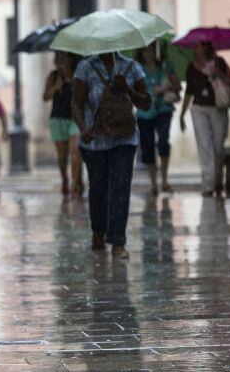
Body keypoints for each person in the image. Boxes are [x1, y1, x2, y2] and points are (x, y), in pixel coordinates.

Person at [72, 52, 151, 259]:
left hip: (125, 139)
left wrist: (128, 89)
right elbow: (76, 103)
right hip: (95, 140)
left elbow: (146, 103)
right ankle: (98, 231)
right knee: (98, 188)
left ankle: (118, 242)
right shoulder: (86, 67)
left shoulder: (131, 66)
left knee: (120, 187)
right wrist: (82, 128)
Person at [179, 41, 230, 197]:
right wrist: (182, 114)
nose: (195, 47)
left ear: (207, 47)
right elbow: (189, 91)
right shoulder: (192, 67)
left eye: (199, 45)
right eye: (195, 45)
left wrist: (217, 73)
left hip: (218, 107)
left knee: (218, 146)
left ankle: (218, 181)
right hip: (198, 108)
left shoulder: (220, 62)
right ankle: (208, 184)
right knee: (204, 145)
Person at [135, 42, 182, 195]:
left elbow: (178, 87)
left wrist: (165, 87)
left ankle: (165, 180)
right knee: (147, 147)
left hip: (163, 109)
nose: (147, 53)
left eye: (150, 49)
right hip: (144, 112)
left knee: (163, 142)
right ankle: (153, 183)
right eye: (144, 50)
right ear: (140, 51)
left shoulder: (166, 66)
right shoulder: (136, 69)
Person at [43, 51, 83, 198]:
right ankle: (65, 178)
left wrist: (74, 83)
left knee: (75, 151)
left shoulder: (79, 75)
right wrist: (55, 88)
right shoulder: (53, 77)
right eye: (61, 59)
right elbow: (45, 97)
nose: (63, 62)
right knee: (62, 156)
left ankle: (75, 184)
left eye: (66, 58)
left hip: (75, 119)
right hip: (57, 119)